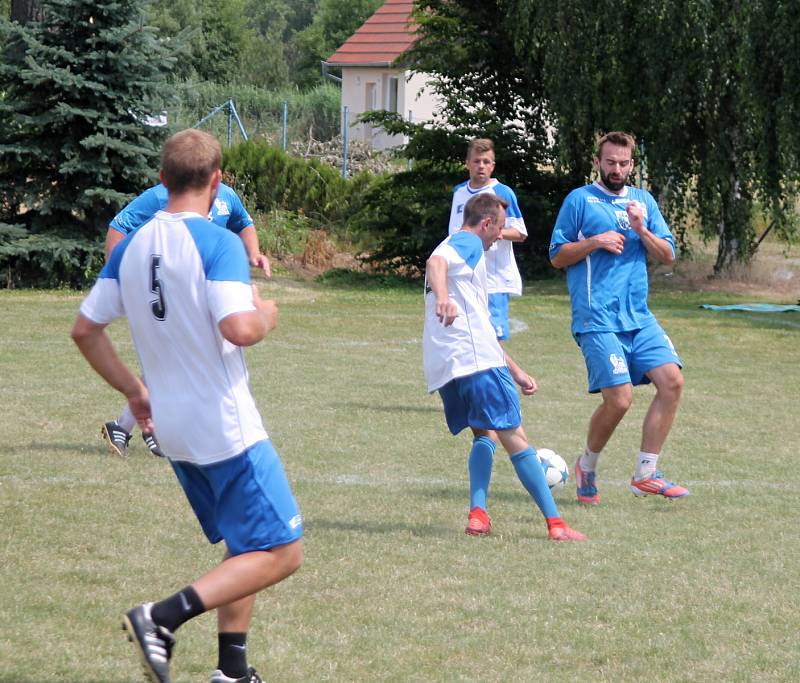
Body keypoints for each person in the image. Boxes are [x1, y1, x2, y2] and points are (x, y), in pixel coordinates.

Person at [71, 128, 303, 683]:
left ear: (161, 180)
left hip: (173, 429)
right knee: (283, 551)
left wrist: (133, 389)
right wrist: (266, 314)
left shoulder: (129, 247)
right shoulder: (217, 242)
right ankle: (161, 617)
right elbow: (239, 327)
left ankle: (232, 670)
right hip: (224, 426)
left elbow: (85, 330)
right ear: (216, 181)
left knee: (244, 545)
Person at [424, 192, 586, 541]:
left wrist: (514, 369)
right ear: (485, 223)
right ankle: (556, 525)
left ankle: (479, 516)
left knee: (485, 432)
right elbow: (435, 262)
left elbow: (479, 320)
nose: (500, 236)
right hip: (476, 361)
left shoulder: (464, 257)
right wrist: (442, 298)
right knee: (516, 437)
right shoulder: (465, 242)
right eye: (498, 229)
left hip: (449, 364)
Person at [549, 131, 689, 505]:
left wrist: (641, 229)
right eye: (609, 162)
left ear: (632, 164)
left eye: (623, 163)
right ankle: (587, 465)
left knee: (672, 381)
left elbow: (668, 256)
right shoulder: (580, 201)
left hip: (638, 317)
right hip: (597, 319)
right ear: (598, 162)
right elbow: (557, 256)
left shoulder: (644, 202)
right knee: (620, 399)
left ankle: (646, 473)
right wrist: (595, 241)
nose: (616, 169)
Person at [101, 179, 271, 458]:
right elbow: (118, 227)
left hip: (210, 291)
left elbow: (243, 223)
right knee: (176, 358)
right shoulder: (158, 196)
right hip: (173, 291)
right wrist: (117, 273)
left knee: (177, 359)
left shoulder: (226, 195)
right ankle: (145, 427)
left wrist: (254, 253)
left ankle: (125, 426)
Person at [447, 138, 529, 534]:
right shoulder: (459, 194)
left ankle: (499, 387)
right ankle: (493, 392)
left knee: (490, 336)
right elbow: (454, 235)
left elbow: (521, 232)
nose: (482, 166)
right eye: (476, 160)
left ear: (494, 165)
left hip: (493, 280)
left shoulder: (503, 193)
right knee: (475, 336)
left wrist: (494, 233)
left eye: (488, 161)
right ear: (467, 163)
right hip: (466, 278)